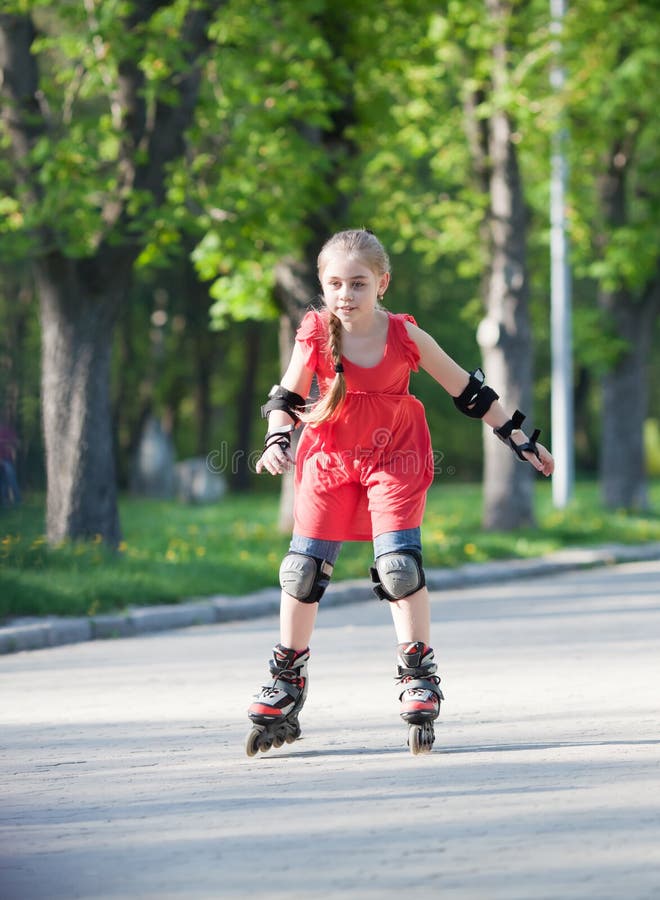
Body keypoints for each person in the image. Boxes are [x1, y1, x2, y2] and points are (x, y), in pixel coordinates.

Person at [246, 228, 554, 756]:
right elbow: (286, 394)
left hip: (395, 456)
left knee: (398, 567)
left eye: (359, 283)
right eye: (336, 283)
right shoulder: (316, 331)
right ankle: (287, 678)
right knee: (301, 570)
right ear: (323, 286)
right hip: (328, 457)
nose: (347, 294)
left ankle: (417, 672)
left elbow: (470, 390)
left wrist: (519, 438)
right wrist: (277, 437)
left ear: (382, 283)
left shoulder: (405, 336)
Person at [0, 419, 21, 508]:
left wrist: (6, 443)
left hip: (7, 459)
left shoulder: (7, 431)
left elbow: (17, 443)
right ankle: (5, 501)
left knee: (11, 479)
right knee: (3, 481)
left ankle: (17, 499)